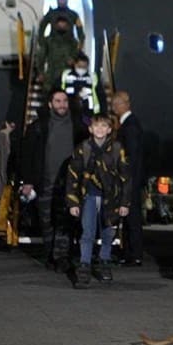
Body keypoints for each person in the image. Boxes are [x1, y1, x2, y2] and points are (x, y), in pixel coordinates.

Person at [20, 89, 88, 273]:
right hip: (45, 183)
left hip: (69, 185)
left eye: (65, 101)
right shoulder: (38, 127)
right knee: (47, 222)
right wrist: (28, 181)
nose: (62, 105)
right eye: (58, 101)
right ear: (50, 104)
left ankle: (63, 257)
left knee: (67, 222)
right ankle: (51, 255)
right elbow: (27, 155)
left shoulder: (78, 127)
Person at [66, 113, 131, 288]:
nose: (100, 129)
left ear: (110, 129)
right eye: (97, 126)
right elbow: (73, 176)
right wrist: (72, 202)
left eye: (104, 126)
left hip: (112, 198)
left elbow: (126, 177)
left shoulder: (117, 149)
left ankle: (104, 262)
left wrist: (125, 202)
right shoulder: (83, 148)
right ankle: (84, 267)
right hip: (89, 196)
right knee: (87, 232)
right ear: (90, 128)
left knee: (108, 232)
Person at [111, 90, 145, 267]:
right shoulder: (128, 125)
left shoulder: (130, 126)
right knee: (128, 216)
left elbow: (131, 156)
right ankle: (129, 252)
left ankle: (134, 254)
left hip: (130, 179)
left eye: (116, 103)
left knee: (132, 217)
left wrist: (126, 179)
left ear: (124, 104)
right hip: (130, 179)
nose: (113, 107)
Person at [36, 16, 80, 96]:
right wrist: (40, 72)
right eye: (60, 26)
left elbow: (77, 57)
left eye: (64, 26)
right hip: (51, 76)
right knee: (48, 98)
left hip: (67, 76)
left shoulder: (73, 42)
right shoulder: (48, 40)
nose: (62, 27)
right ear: (55, 26)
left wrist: (73, 61)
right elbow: (41, 56)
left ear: (68, 27)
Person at [60, 52, 106, 121]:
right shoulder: (66, 75)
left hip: (88, 113)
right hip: (69, 112)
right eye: (79, 66)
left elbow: (101, 95)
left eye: (84, 67)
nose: (82, 69)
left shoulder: (92, 77)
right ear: (75, 64)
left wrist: (103, 112)